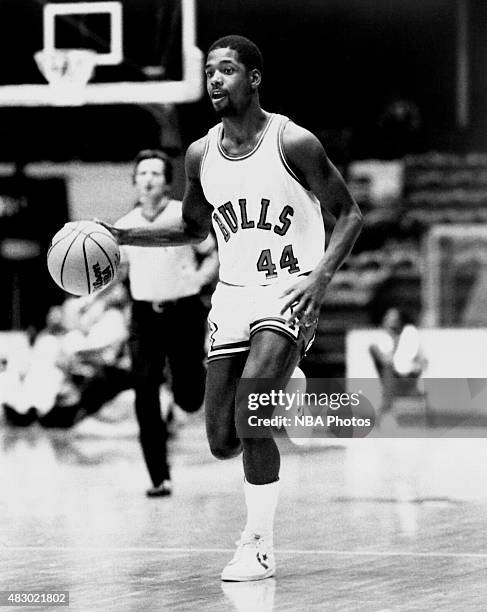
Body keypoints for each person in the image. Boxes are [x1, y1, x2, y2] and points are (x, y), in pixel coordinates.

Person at [102, 35, 363, 580]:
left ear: (254, 78)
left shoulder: (294, 142)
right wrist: (119, 234)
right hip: (233, 294)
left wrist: (320, 277)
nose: (214, 80)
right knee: (222, 439)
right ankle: (283, 389)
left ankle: (258, 545)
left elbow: (349, 213)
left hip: (287, 288)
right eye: (209, 73)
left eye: (225, 70)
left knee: (249, 412)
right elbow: (194, 228)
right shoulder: (200, 155)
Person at [114, 149, 218, 498]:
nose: (148, 179)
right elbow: (120, 274)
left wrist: (199, 281)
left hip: (184, 311)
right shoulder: (124, 225)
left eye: (155, 173)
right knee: (144, 392)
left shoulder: (182, 214)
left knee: (189, 399)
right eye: (142, 173)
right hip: (144, 316)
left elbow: (213, 255)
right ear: (134, 180)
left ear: (168, 181)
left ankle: (194, 377)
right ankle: (158, 476)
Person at [369, 307, 426, 419]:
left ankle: (386, 409)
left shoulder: (409, 333)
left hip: (409, 376)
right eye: (389, 317)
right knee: (388, 371)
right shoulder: (382, 339)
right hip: (392, 376)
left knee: (391, 372)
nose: (392, 321)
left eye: (395, 318)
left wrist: (417, 362)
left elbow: (421, 360)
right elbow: (386, 360)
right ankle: (386, 409)